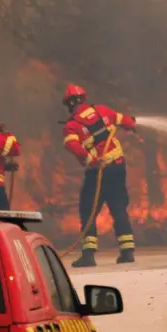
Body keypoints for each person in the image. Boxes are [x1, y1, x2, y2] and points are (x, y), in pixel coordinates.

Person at [61, 84, 138, 268]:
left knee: (88, 210)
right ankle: (127, 251)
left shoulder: (72, 126)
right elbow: (126, 122)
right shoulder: (102, 110)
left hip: (98, 171)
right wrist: (132, 123)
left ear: (70, 104)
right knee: (118, 208)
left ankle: (88, 255)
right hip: (118, 166)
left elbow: (72, 146)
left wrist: (90, 159)